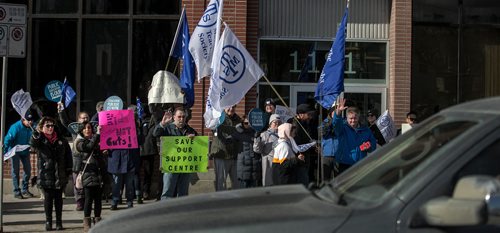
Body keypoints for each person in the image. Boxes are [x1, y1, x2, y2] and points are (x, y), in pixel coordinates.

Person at [30, 117, 72, 231]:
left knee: (59, 199)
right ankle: (48, 221)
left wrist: (68, 169)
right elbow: (33, 143)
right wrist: (35, 135)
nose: (50, 128)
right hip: (46, 173)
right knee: (48, 200)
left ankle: (59, 222)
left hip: (59, 173)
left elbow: (68, 155)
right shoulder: (40, 139)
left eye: (52, 125)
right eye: (47, 126)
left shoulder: (61, 140)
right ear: (42, 127)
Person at [152, 107, 197, 200]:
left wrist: (195, 138)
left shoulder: (190, 130)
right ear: (174, 117)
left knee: (183, 192)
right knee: (168, 191)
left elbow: (198, 146)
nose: (181, 119)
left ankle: (181, 211)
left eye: (183, 117)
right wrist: (162, 124)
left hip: (185, 166)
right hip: (171, 165)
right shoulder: (168, 128)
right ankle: (166, 211)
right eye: (179, 116)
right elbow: (155, 133)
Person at [74, 121, 106, 232]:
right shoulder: (79, 142)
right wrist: (97, 135)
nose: (88, 130)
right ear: (82, 130)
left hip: (97, 173)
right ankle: (86, 222)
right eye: (85, 128)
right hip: (87, 174)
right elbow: (88, 147)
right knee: (88, 199)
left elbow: (100, 157)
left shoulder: (95, 140)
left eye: (89, 128)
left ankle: (98, 220)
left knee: (98, 200)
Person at [331, 98, 377, 174]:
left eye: (355, 118)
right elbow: (336, 124)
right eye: (351, 118)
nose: (353, 120)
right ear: (347, 118)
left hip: (360, 164)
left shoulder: (366, 130)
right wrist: (338, 113)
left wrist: (369, 146)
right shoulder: (342, 128)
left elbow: (373, 145)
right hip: (344, 163)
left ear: (358, 117)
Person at [58, 104, 91, 211]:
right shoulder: (75, 129)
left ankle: (87, 200)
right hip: (77, 160)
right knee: (77, 181)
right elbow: (65, 122)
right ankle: (79, 201)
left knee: (87, 181)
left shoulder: (91, 128)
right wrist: (61, 111)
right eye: (83, 117)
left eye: (86, 117)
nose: (85, 119)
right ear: (78, 120)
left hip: (89, 159)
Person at [3, 113, 35, 199]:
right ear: (22, 119)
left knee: (28, 170)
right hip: (14, 150)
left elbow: (35, 137)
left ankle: (25, 189)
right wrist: (5, 154)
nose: (30, 122)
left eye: (31, 120)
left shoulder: (32, 127)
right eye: (28, 120)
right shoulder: (15, 127)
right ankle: (17, 191)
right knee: (15, 171)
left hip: (25, 150)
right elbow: (7, 140)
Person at [210, 105, 241, 191]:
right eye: (229, 107)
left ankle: (236, 203)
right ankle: (220, 203)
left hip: (234, 155)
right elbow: (212, 129)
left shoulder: (238, 119)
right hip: (221, 154)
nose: (231, 109)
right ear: (224, 107)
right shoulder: (219, 117)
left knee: (237, 183)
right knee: (221, 183)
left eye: (234, 107)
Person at [232, 116, 261, 188]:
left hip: (254, 165)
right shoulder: (238, 133)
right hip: (243, 164)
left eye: (250, 123)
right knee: (243, 188)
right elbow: (227, 141)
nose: (248, 124)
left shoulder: (256, 133)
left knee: (253, 190)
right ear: (242, 123)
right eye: (246, 123)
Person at [253, 114, 281, 186]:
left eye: (279, 122)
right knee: (269, 185)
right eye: (275, 122)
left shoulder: (282, 134)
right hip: (268, 164)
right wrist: (257, 139)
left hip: (280, 163)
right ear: (270, 124)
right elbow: (257, 149)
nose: (277, 124)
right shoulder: (265, 134)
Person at [293, 104, 317, 186]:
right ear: (301, 114)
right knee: (302, 182)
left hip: (306, 157)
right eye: (308, 114)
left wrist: (311, 142)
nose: (310, 117)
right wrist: (310, 144)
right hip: (300, 159)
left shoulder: (306, 123)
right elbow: (297, 144)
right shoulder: (295, 126)